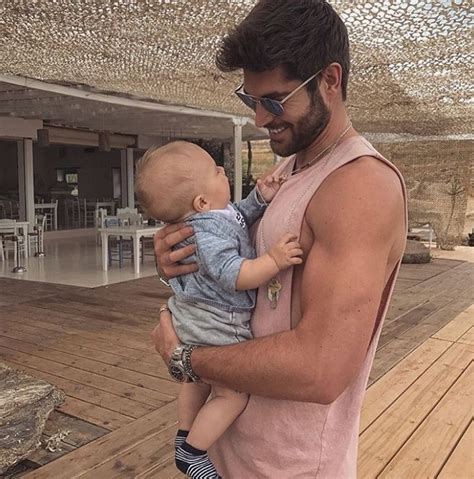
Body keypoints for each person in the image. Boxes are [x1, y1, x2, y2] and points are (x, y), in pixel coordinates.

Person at [152, 0, 407, 477]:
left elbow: (320, 368)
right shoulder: (288, 170)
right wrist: (178, 264)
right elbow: (236, 267)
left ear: (330, 80)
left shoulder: (359, 186)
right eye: (251, 101)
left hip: (289, 466)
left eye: (274, 101)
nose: (260, 119)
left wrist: (185, 357)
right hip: (228, 451)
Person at [134, 141, 302, 478]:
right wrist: (273, 261)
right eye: (215, 170)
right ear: (201, 203)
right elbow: (234, 274)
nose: (224, 170)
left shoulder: (211, 215)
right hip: (218, 321)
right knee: (232, 393)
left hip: (192, 315)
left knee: (197, 380)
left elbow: (238, 215)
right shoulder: (207, 235)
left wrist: (260, 198)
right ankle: (194, 453)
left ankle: (185, 434)